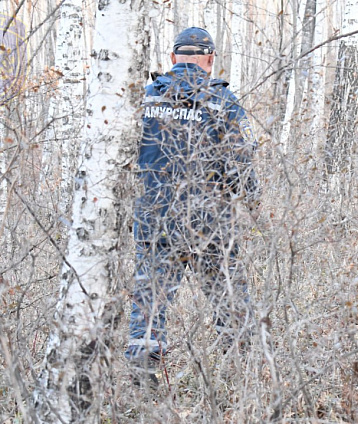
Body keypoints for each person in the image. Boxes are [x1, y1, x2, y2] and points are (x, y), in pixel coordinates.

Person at [125, 27, 259, 386]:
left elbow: (121, 158)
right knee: (228, 297)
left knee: (150, 299)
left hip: (155, 218)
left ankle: (142, 381)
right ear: (210, 61)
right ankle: (244, 376)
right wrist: (254, 203)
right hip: (210, 222)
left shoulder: (144, 99)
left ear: (172, 59)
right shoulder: (224, 103)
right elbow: (242, 167)